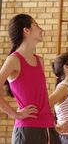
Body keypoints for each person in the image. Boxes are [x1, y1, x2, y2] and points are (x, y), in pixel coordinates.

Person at [0, 14, 61, 143]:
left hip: (48, 126)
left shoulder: (40, 60)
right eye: (36, 25)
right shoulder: (14, 60)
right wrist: (16, 114)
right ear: (26, 31)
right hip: (27, 128)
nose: (41, 30)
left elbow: (41, 96)